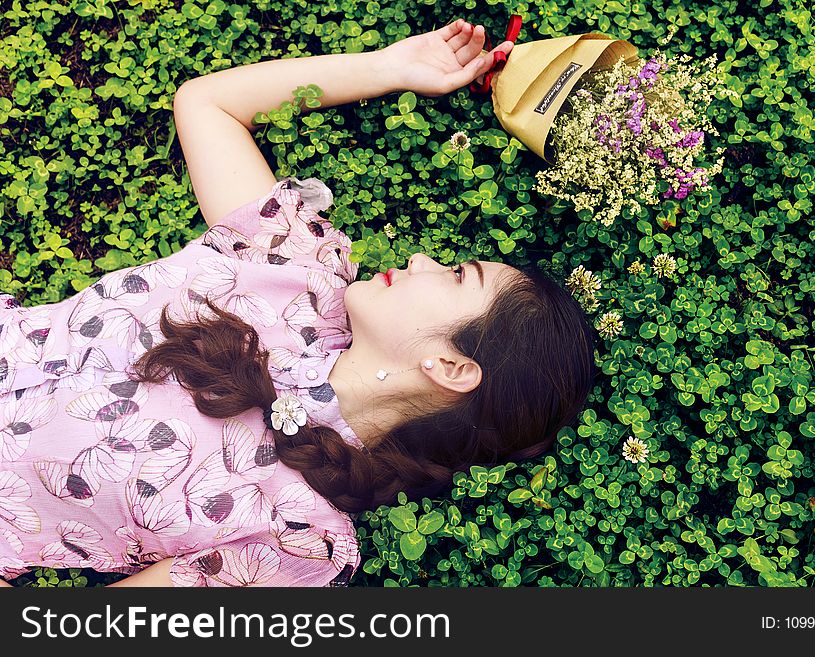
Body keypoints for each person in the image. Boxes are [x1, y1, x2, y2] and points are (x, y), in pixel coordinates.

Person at [0, 18, 596, 588]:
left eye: (456, 275)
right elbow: (208, 106)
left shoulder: (299, 539)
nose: (420, 261)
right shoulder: (296, 273)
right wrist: (389, 66)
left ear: (453, 366)